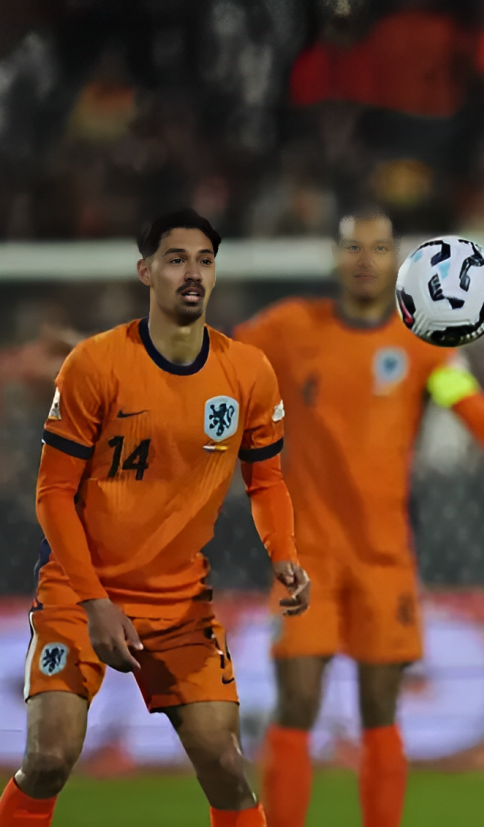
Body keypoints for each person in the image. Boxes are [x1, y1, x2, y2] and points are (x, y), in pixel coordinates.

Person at [234, 208, 484, 827]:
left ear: (399, 262)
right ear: (334, 259)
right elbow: (212, 362)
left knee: (380, 712)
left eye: (379, 247)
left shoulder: (422, 348)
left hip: (384, 558)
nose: (365, 259)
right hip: (304, 553)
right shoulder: (287, 330)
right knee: (298, 704)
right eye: (352, 247)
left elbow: (477, 415)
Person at [0, 209, 311, 827]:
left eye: (204, 260)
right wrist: (94, 603)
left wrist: (284, 553)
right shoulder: (95, 365)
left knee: (224, 760)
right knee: (49, 755)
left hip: (179, 600)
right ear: (146, 271)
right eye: (176, 260)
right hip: (78, 590)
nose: (191, 273)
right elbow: (53, 494)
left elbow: (267, 479)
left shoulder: (247, 372)